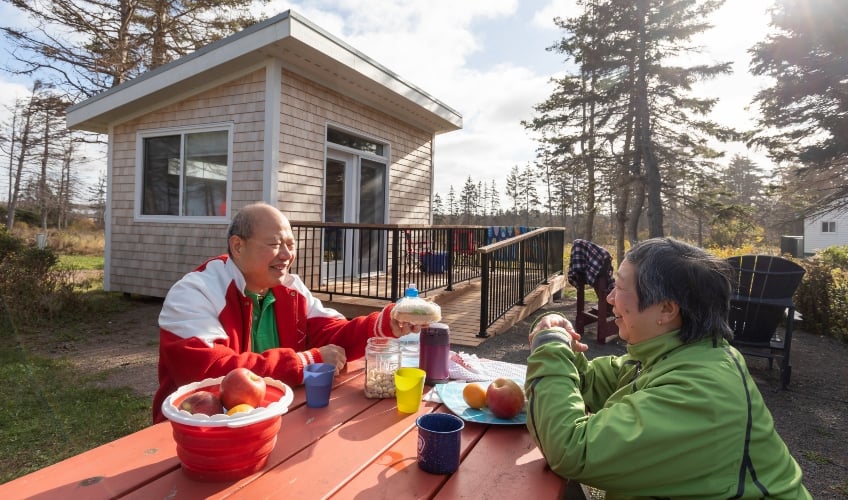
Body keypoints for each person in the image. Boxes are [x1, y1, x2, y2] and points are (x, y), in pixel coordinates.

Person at [525, 238, 810, 499]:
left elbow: (572, 449)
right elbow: (589, 381)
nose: (610, 298)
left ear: (666, 310)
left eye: (620, 287)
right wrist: (559, 337)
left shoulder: (701, 390)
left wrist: (549, 343)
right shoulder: (675, 354)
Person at [152, 202, 419, 423]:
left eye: (290, 245)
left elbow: (332, 334)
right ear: (237, 246)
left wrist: (385, 323)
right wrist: (303, 363)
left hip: (278, 418)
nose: (287, 255)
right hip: (198, 434)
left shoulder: (290, 288)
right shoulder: (194, 292)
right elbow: (208, 372)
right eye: (275, 244)